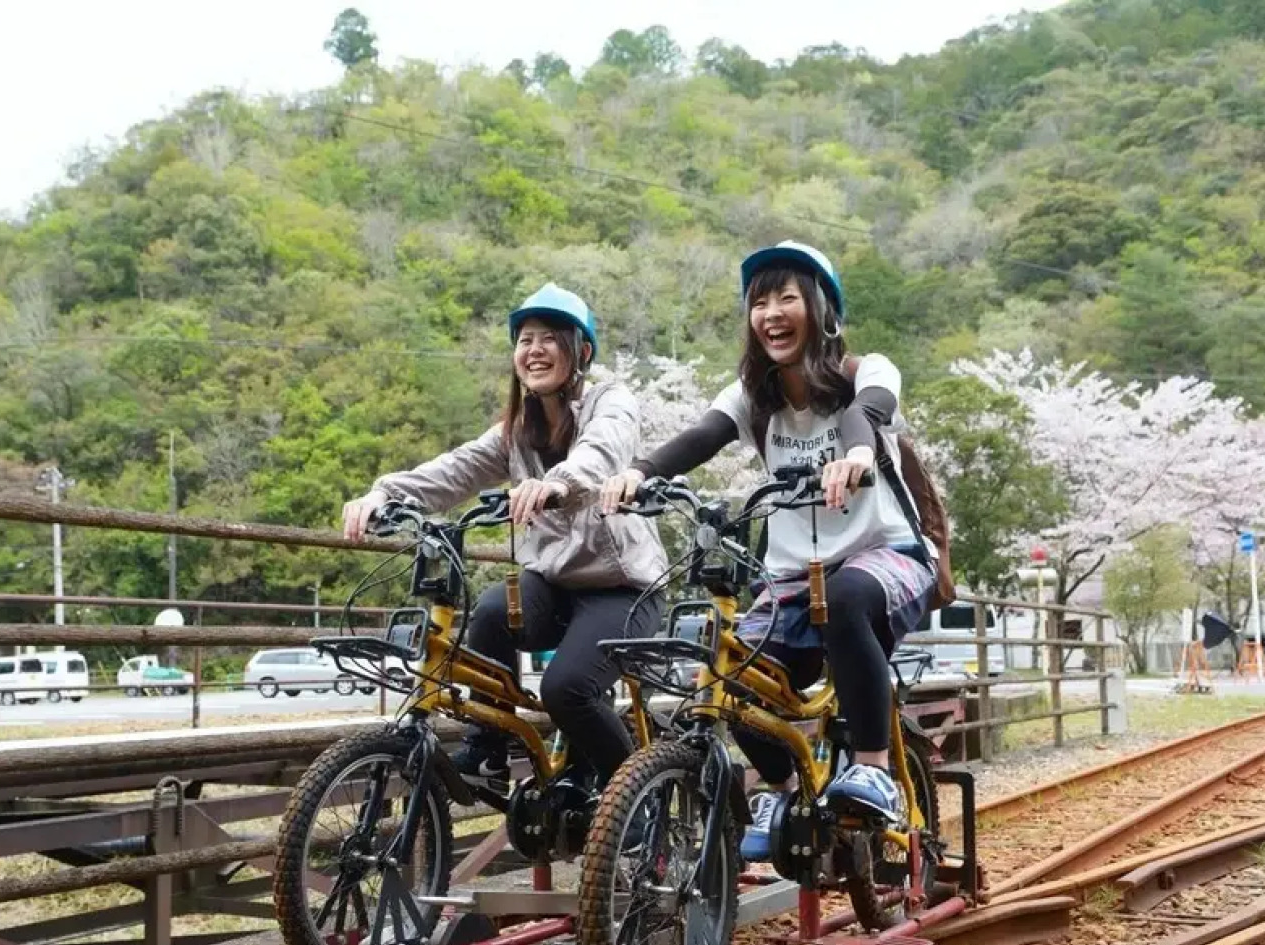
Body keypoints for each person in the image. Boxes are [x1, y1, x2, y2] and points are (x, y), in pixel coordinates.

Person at [599, 242, 939, 861]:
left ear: (823, 309)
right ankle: (781, 791)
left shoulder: (869, 370)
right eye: (760, 301)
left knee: (844, 598)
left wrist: (858, 454)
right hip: (791, 573)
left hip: (884, 554)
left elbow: (870, 410)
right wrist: (641, 472)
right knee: (725, 660)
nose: (772, 313)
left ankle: (873, 769)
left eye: (788, 297)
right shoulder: (753, 397)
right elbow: (703, 434)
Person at [343, 283, 667, 798]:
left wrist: (560, 481)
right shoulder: (516, 431)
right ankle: (489, 746)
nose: (533, 350)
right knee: (490, 614)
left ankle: (635, 800)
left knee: (567, 690)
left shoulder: (612, 401)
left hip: (625, 589)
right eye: (524, 340)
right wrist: (383, 494)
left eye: (549, 338)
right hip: (554, 586)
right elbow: (453, 471)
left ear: (581, 350)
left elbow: (603, 450)